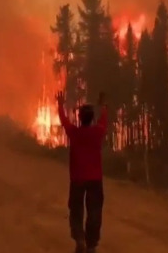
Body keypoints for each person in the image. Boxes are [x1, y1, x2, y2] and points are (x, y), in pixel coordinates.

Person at [56, 91, 108, 253]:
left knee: (76, 210)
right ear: (92, 118)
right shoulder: (98, 132)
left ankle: (80, 239)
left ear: (79, 118)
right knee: (94, 212)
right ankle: (91, 245)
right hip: (95, 179)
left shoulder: (74, 133)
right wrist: (103, 106)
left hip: (77, 178)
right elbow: (104, 120)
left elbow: (64, 121)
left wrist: (60, 104)